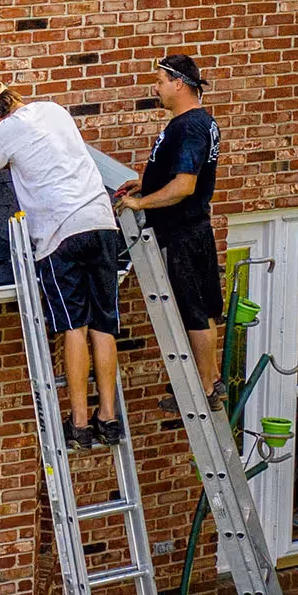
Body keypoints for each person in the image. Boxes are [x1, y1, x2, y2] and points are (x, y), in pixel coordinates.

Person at [0, 79, 126, 449]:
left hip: (60, 232)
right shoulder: (54, 110)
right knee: (103, 325)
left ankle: (81, 423)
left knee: (75, 327)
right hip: (102, 222)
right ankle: (109, 416)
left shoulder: (4, 132)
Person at [113, 53, 223, 381]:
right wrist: (146, 181)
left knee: (194, 312)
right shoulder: (200, 122)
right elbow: (184, 174)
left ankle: (205, 384)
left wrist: (141, 203)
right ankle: (212, 379)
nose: (155, 87)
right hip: (192, 229)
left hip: (182, 233)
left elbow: (185, 185)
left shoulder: (190, 127)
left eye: (160, 81)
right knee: (202, 310)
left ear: (178, 84)